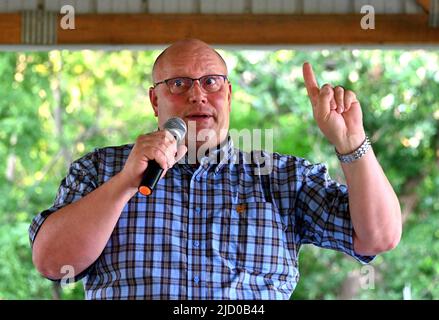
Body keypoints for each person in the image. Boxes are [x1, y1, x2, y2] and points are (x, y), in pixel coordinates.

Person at [29, 39, 402, 300]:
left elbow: (378, 237)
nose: (197, 95)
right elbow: (52, 263)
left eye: (211, 82)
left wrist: (352, 143)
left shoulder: (284, 178)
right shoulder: (99, 169)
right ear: (154, 100)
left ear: (229, 95)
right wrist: (126, 183)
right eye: (178, 84)